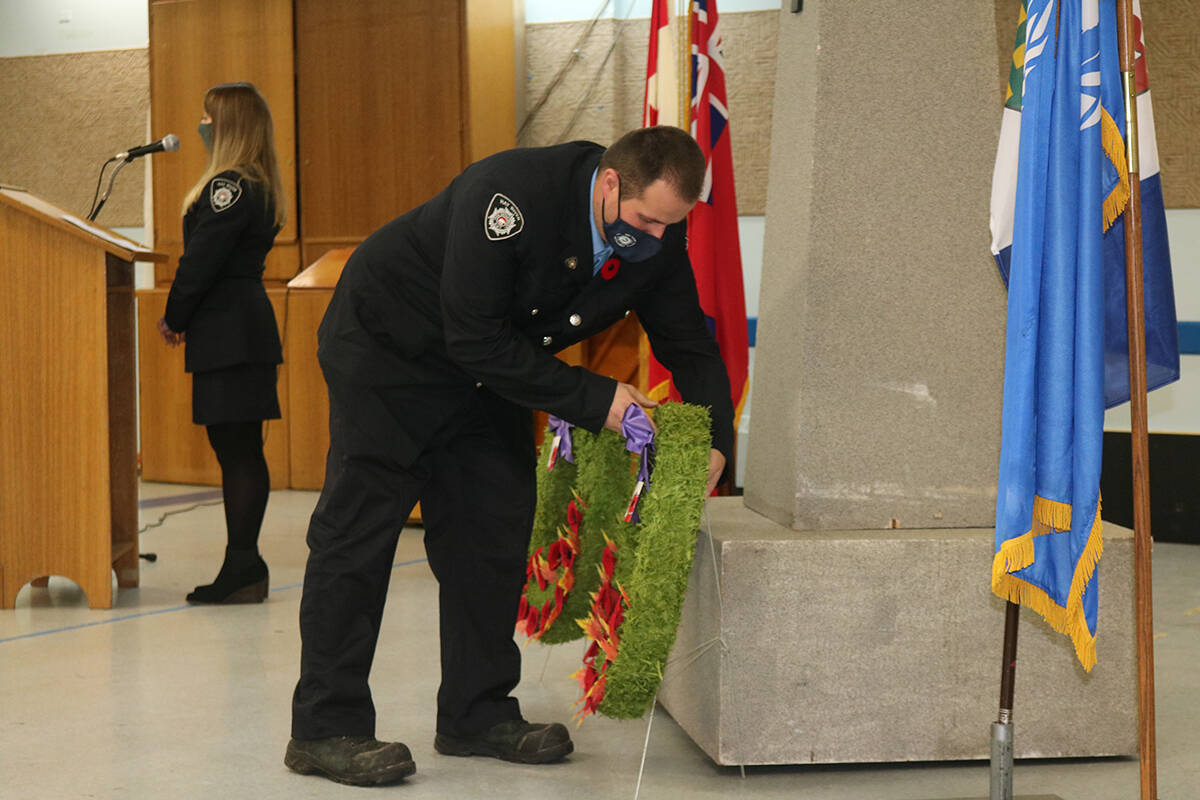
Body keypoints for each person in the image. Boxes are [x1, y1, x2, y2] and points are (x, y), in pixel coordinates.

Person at [284, 126, 734, 786]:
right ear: (610, 184)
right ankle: (324, 727)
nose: (657, 238)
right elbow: (473, 336)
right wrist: (596, 397)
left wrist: (718, 441)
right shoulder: (513, 196)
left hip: (489, 370)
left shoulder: (654, 240)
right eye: (646, 220)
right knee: (358, 536)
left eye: (672, 224)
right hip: (391, 352)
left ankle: (476, 712)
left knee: (491, 530)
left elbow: (689, 343)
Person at [157, 82, 286, 605]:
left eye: (208, 117)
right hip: (243, 326)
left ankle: (243, 565)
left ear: (227, 126)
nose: (200, 124)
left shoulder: (228, 186)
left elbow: (201, 261)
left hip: (227, 329)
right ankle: (244, 564)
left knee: (236, 451)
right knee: (240, 449)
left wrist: (174, 315)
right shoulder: (256, 183)